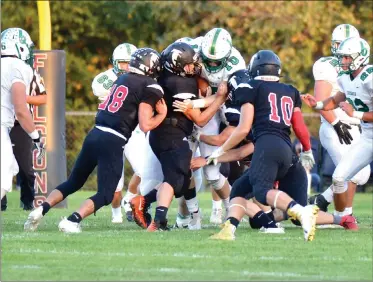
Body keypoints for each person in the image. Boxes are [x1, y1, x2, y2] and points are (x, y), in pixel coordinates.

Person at [24, 48, 167, 233]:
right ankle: (72, 221)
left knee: (73, 182)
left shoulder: (122, 78)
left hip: (95, 133)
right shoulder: (150, 86)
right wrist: (162, 114)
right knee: (106, 194)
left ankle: (40, 210)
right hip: (114, 139)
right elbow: (145, 124)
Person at [207, 50, 319, 241]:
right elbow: (299, 126)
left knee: (261, 191)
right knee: (239, 189)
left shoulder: (250, 87)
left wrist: (222, 149)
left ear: (254, 69)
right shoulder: (290, 91)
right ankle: (228, 229)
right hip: (286, 147)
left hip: (266, 144)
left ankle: (300, 211)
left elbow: (243, 129)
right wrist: (307, 149)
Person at [130, 42, 227, 231]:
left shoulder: (163, 76)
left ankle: (146, 202)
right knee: (175, 180)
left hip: (159, 135)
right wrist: (220, 99)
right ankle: (157, 220)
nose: (194, 67)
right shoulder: (182, 83)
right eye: (190, 64)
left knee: (182, 181)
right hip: (173, 134)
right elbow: (200, 120)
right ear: (176, 64)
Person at [302, 37, 372, 226]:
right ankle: (344, 219)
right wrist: (317, 104)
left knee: (357, 175)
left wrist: (355, 113)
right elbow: (336, 98)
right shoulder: (344, 77)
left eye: (348, 58)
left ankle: (326, 204)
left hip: (365, 130)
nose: (343, 61)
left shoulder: (370, 77)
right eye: (343, 57)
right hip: (367, 137)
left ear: (361, 57)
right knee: (340, 177)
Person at [194, 28, 247, 224]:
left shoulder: (236, 64)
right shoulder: (193, 49)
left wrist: (198, 136)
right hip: (200, 104)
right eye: (209, 60)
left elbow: (222, 137)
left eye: (218, 61)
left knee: (213, 172)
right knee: (182, 169)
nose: (213, 65)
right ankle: (189, 216)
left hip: (222, 105)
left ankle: (231, 208)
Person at [91, 42, 142, 223]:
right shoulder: (103, 80)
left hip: (134, 131)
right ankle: (116, 215)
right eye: (123, 63)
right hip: (112, 131)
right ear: (114, 62)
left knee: (145, 170)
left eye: (130, 63)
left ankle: (129, 197)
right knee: (115, 180)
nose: (127, 67)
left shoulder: (141, 78)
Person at [1, 27, 45, 202]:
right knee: (4, 180)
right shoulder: (18, 67)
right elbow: (20, 108)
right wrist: (35, 137)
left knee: (11, 166)